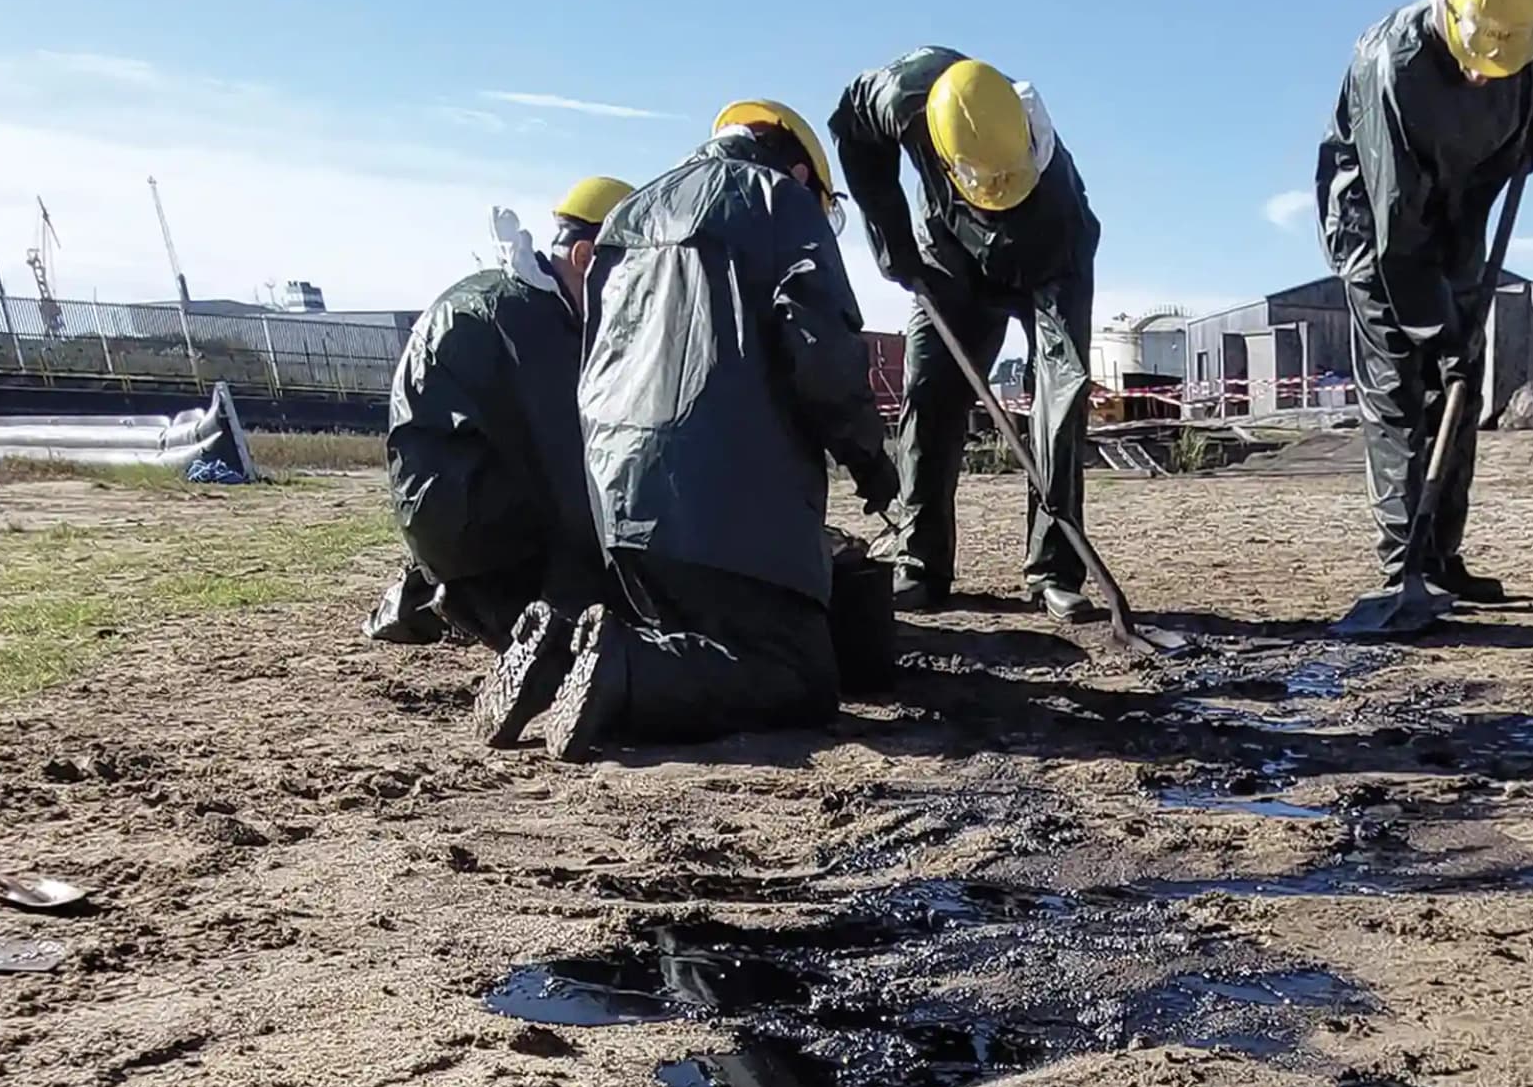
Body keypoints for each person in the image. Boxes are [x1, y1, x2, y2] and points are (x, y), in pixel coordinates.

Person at [480, 102, 902, 760]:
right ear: (798, 169)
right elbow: (822, 353)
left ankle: (564, 649)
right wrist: (871, 460)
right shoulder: (778, 200)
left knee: (687, 628)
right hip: (725, 507)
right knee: (799, 674)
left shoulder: (629, 215)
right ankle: (624, 669)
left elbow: (596, 363)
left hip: (623, 509)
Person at [1315, 0, 1533, 636]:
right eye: (1475, 57)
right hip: (1377, 227)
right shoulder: (1390, 65)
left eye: (1503, 60)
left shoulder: (1530, 31)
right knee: (1402, 383)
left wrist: (1473, 219)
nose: (1486, 75)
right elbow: (1397, 231)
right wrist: (1436, 328)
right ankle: (1403, 569)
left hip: (1459, 208)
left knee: (1462, 381)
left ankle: (1441, 552)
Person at [830, 49, 1103, 630]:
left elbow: (1060, 376)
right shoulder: (902, 96)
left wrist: (1055, 391)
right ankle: (920, 561)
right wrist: (892, 243)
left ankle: (1055, 570)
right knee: (927, 394)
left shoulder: (1063, 219)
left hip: (1045, 270)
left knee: (1059, 409)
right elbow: (852, 134)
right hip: (949, 259)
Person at [372, 178, 631, 649]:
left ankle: (444, 593)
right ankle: (519, 622)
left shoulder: (512, 302)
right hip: (469, 524)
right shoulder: (533, 325)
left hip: (444, 510)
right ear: (585, 258)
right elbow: (573, 478)